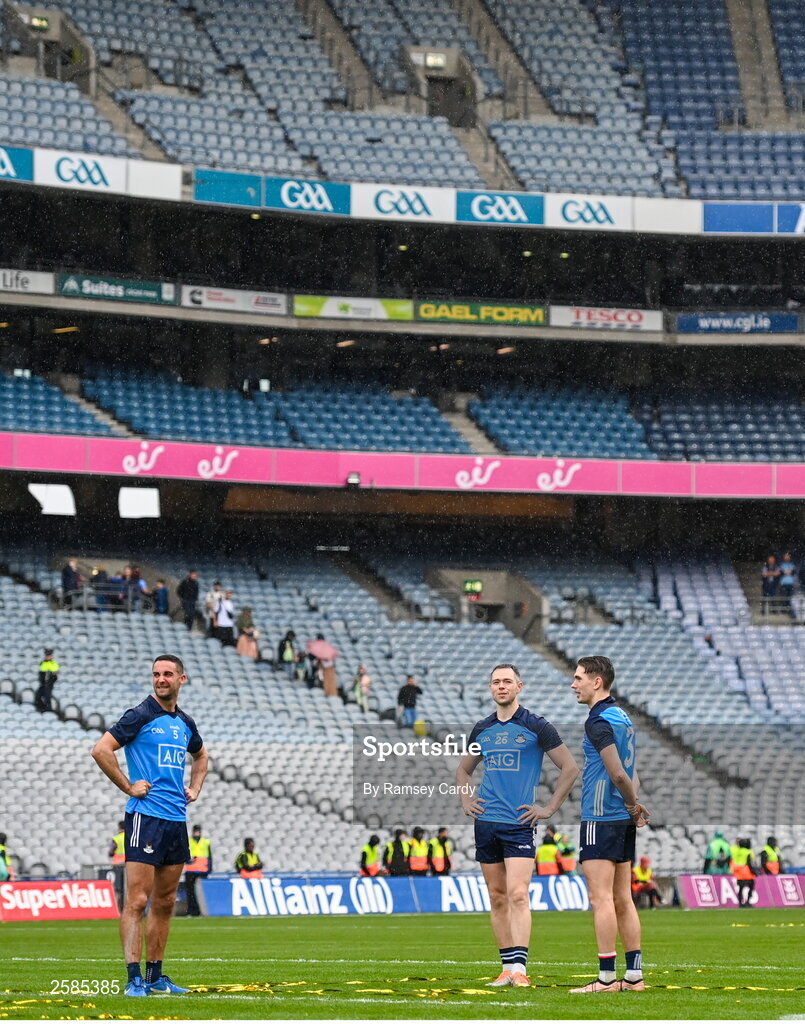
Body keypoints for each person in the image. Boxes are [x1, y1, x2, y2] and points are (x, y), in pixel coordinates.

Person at [91, 654, 208, 997]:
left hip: (175, 820)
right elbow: (101, 750)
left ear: (181, 679)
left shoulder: (185, 723)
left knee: (166, 901)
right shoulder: (140, 714)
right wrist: (128, 786)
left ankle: (156, 976)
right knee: (137, 901)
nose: (161, 679)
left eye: (168, 674)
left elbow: (201, 756)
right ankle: (133, 979)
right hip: (145, 818)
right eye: (156, 674)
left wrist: (196, 788)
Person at [456, 662, 579, 988]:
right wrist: (467, 801)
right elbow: (463, 770)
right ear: (490, 688)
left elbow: (569, 767)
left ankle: (521, 969)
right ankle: (506, 968)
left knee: (518, 894)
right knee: (497, 897)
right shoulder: (482, 728)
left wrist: (550, 807)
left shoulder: (537, 726)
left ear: (519, 687)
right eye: (496, 681)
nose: (501, 686)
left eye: (507, 681)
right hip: (486, 823)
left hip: (519, 823)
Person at [568, 655, 650, 994]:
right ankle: (634, 976)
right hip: (621, 819)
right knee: (623, 899)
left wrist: (631, 803)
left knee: (600, 898)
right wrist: (631, 806)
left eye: (578, 678)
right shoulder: (623, 717)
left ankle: (605, 979)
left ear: (596, 682)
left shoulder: (598, 720)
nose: (573, 684)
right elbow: (634, 772)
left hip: (600, 817)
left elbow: (617, 772)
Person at [185, 824, 212, 917]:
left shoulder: (205, 842)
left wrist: (209, 869)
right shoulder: (189, 841)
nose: (197, 832)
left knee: (199, 892)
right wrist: (188, 860)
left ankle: (201, 910)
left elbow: (209, 856)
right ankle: (192, 911)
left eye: (198, 831)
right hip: (190, 870)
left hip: (202, 870)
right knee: (190, 892)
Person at [108, 820, 126, 911]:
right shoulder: (131, 838)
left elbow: (111, 852)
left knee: (118, 888)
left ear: (119, 828)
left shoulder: (117, 838)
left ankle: (118, 908)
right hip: (129, 866)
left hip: (118, 866)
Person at [733, 838, 756, 906]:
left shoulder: (737, 851)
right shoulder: (748, 852)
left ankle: (740, 903)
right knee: (751, 886)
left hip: (738, 872)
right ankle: (748, 902)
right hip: (746, 872)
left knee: (741, 888)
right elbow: (749, 863)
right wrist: (754, 872)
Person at [35, 648, 59, 713]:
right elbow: (41, 671)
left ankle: (48, 711)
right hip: (43, 683)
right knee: (38, 696)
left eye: (49, 655)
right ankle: (41, 709)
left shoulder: (53, 663)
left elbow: (54, 673)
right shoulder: (43, 663)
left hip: (49, 684)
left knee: (47, 697)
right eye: (46, 655)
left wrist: (50, 682)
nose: (47, 657)